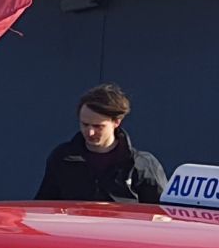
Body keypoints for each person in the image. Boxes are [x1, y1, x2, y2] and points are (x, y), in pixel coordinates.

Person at [36, 82, 166, 203]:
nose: (90, 132)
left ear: (116, 122)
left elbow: (163, 214)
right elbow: (43, 207)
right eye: (85, 124)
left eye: (98, 126)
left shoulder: (142, 164)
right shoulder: (62, 158)